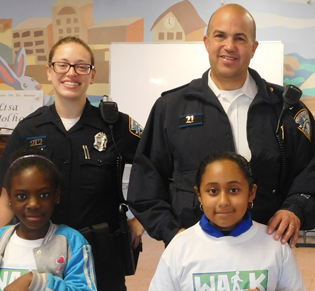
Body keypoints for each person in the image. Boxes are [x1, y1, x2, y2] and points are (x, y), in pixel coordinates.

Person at [127, 3, 315, 248]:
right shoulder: (171, 108)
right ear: (206, 42)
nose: (229, 46)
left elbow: (309, 171)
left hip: (267, 250)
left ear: (253, 47)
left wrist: (294, 209)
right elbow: (147, 180)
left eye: (240, 38)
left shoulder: (286, 109)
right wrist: (172, 232)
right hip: (192, 253)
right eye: (220, 36)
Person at [0, 36, 144, 291]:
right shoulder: (29, 129)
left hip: (102, 254)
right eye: (62, 65)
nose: (71, 73)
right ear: (50, 72)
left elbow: (156, 167)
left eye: (81, 66)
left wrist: (140, 219)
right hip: (40, 252)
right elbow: (8, 195)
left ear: (92, 75)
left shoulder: (116, 126)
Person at [147, 151, 307, 291]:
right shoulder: (180, 246)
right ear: (199, 195)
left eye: (234, 190)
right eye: (213, 191)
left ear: (251, 193)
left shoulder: (274, 244)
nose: (223, 202)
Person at [0, 147, 97, 291]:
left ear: (56, 195)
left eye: (44, 195)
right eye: (21, 196)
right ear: (10, 199)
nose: (33, 204)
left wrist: (38, 281)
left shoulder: (72, 242)